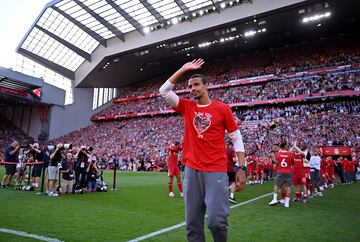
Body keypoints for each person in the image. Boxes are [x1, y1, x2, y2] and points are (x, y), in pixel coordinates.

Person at [159, 59, 246, 242]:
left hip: (216, 170)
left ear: (207, 86)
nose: (193, 89)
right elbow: (164, 91)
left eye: (197, 84)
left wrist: (242, 167)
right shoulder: (187, 106)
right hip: (191, 170)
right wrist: (183, 69)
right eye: (190, 86)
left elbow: (236, 137)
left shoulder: (222, 109)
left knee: (217, 221)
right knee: (192, 224)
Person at [268, 141, 294, 208]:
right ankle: (286, 202)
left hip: (280, 171)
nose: (288, 146)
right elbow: (292, 163)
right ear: (285, 146)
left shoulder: (278, 154)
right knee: (288, 187)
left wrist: (272, 158)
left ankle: (274, 199)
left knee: (276, 185)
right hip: (288, 171)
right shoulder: (290, 154)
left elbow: (277, 162)